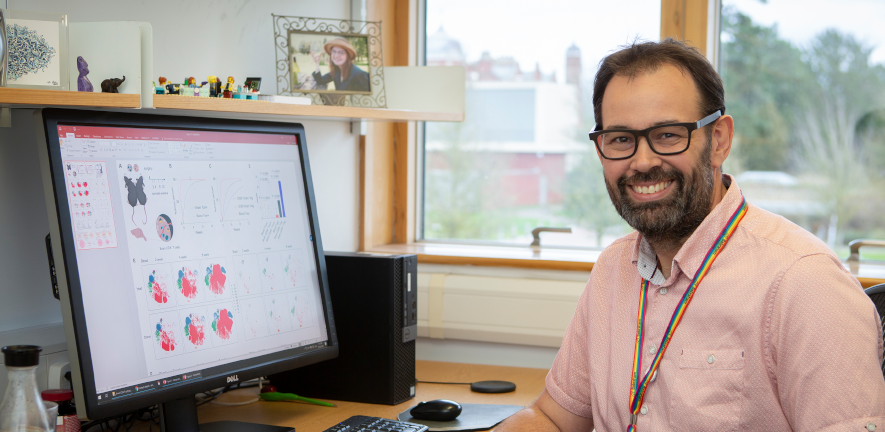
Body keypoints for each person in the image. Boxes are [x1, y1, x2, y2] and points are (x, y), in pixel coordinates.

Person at [496, 38, 885, 431]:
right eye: (620, 140)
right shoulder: (613, 271)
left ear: (719, 141)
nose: (642, 162)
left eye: (667, 134)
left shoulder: (805, 284)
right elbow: (553, 420)